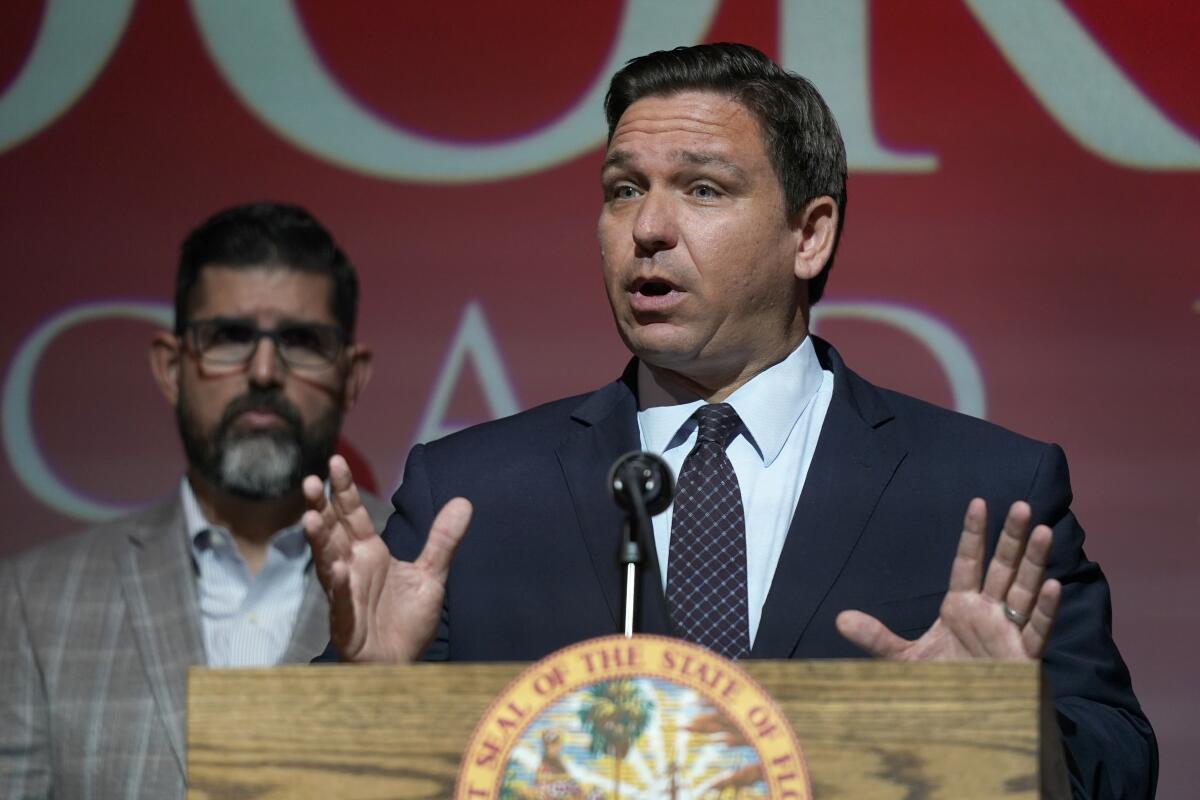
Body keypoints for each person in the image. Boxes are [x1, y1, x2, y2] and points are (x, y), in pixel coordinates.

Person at [302, 45, 1156, 797]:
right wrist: (365, 694)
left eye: (702, 188)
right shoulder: (473, 494)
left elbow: (1117, 765)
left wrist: (998, 737)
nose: (647, 228)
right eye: (623, 189)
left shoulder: (982, 489)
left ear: (809, 235)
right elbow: (310, 780)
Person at [0, 202, 390, 799]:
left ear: (352, 375)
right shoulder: (33, 601)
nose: (263, 371)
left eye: (301, 340)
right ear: (170, 368)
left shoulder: (423, 573)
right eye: (229, 338)